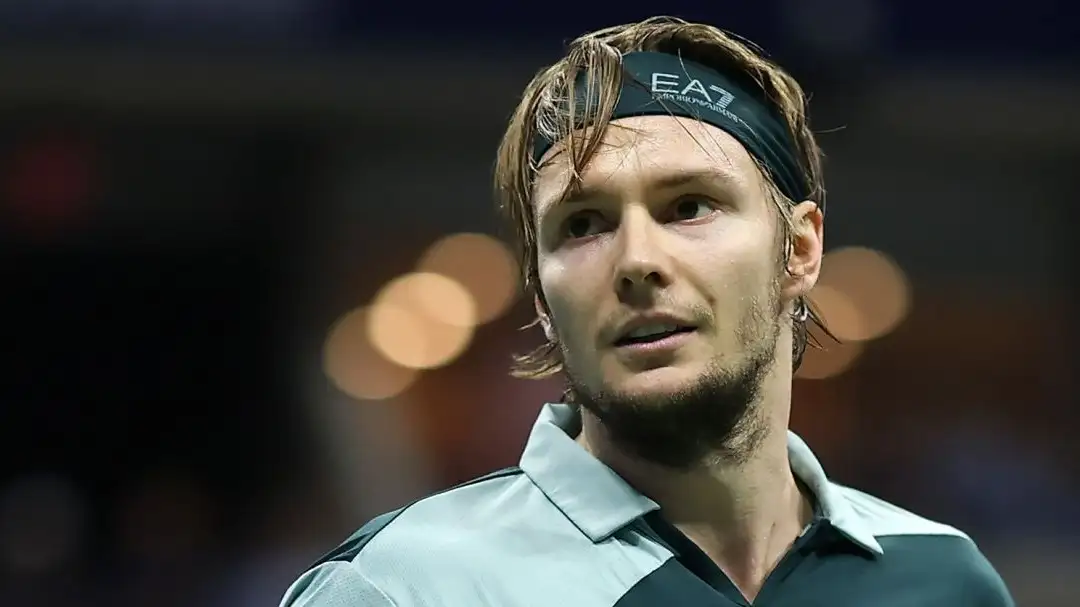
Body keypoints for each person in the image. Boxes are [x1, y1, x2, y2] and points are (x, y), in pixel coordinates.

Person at [281, 16, 1014, 607]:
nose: (636, 259)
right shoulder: (403, 589)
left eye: (689, 206)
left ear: (799, 250)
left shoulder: (943, 579)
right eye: (583, 224)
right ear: (541, 298)